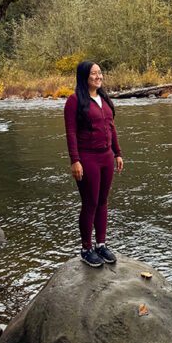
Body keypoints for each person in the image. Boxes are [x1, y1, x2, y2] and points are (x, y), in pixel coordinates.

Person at [64, 60, 124, 267]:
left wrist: (118, 153)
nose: (98, 77)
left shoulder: (104, 99)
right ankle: (86, 249)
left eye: (100, 73)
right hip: (87, 158)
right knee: (90, 202)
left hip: (106, 157)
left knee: (103, 201)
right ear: (84, 77)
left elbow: (112, 127)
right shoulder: (74, 101)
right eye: (93, 74)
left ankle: (101, 244)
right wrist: (75, 160)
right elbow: (71, 133)